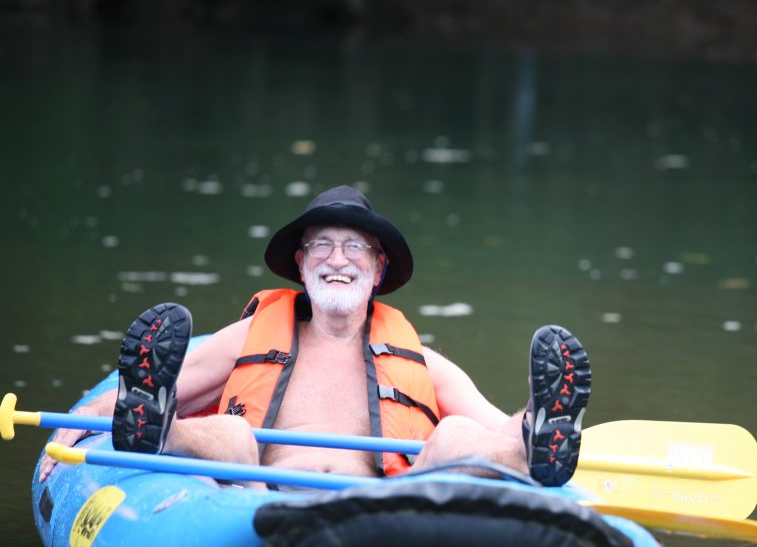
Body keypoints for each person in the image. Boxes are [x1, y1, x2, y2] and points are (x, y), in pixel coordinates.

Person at [39, 185, 591, 488]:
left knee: (456, 436)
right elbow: (157, 391)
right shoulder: (247, 337)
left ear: (377, 271)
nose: (337, 260)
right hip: (255, 502)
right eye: (322, 246)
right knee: (230, 434)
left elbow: (495, 427)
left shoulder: (421, 362)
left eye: (355, 248)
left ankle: (543, 438)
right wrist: (80, 427)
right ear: (300, 265)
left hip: (389, 506)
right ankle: (157, 437)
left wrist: (527, 425)